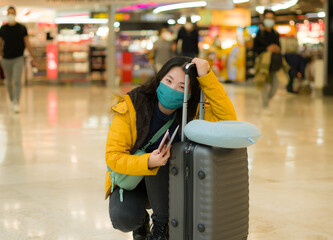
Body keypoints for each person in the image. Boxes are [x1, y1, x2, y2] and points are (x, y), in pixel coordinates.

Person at [105, 56, 237, 240]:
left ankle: (161, 228)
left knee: (165, 158)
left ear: (190, 94)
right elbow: (113, 157)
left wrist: (207, 76)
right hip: (132, 181)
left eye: (182, 87)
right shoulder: (132, 106)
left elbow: (228, 122)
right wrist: (148, 161)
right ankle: (141, 221)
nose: (172, 89)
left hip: (168, 183)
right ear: (159, 79)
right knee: (124, 217)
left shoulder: (192, 114)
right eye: (168, 81)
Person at [0, 6, 37, 113]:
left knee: (17, 81)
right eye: (9, 13)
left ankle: (16, 102)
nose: (11, 14)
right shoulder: (3, 28)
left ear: (15, 14)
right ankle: (12, 100)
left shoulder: (22, 28)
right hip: (6, 59)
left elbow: (27, 43)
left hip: (18, 58)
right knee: (8, 82)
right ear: (7, 14)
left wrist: (33, 56)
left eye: (12, 12)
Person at [254, 9, 289, 114]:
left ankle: (266, 101)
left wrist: (276, 49)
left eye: (272, 18)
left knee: (275, 85)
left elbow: (279, 48)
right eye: (268, 18)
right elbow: (255, 49)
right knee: (264, 85)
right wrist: (267, 49)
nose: (270, 20)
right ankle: (265, 106)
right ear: (264, 19)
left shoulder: (275, 34)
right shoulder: (259, 33)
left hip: (275, 63)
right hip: (263, 64)